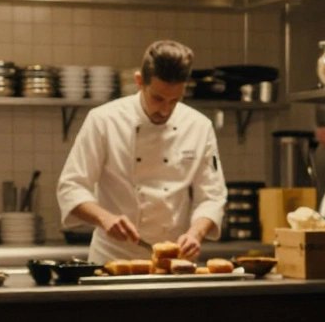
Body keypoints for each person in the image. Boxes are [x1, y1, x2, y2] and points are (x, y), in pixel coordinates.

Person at [57, 40, 226, 265]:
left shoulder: (199, 126)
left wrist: (195, 234)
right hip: (113, 259)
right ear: (139, 82)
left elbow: (212, 196)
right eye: (158, 98)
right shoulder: (104, 120)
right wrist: (105, 218)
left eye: (174, 100)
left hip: (173, 261)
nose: (165, 110)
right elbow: (71, 186)